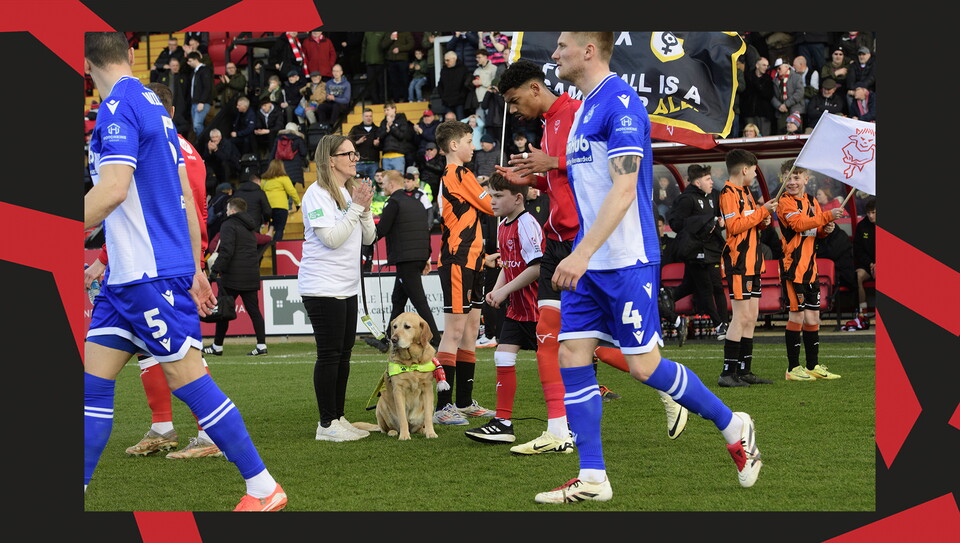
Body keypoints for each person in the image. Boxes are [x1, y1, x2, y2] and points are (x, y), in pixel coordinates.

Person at [532, 33, 761, 504]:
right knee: (572, 354)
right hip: (590, 259)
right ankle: (593, 477)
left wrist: (582, 253)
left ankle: (733, 423)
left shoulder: (622, 103)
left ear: (588, 50)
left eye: (561, 45)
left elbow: (623, 189)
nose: (554, 54)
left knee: (643, 367)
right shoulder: (582, 109)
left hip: (625, 260)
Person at [82, 32, 285, 511]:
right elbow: (185, 196)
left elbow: (112, 190)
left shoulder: (115, 108)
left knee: (189, 379)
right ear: (131, 55)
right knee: (92, 384)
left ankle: (262, 487)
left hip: (147, 275)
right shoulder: (155, 103)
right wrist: (194, 264)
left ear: (85, 62)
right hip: (129, 279)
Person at [493, 58, 688, 455]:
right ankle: (558, 430)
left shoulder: (579, 112)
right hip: (558, 241)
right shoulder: (549, 124)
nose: (514, 112)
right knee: (555, 338)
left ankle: (671, 390)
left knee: (603, 346)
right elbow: (560, 182)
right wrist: (528, 179)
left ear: (534, 89)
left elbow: (598, 170)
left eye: (514, 101)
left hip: (587, 243)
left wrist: (553, 162)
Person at [299, 134, 376, 442]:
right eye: (348, 154)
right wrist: (356, 208)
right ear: (331, 160)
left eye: (355, 154)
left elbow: (369, 238)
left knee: (343, 355)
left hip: (347, 286)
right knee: (330, 355)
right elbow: (330, 238)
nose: (354, 159)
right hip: (322, 286)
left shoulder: (348, 193)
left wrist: (365, 208)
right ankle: (326, 424)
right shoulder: (316, 193)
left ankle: (339, 417)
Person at [464, 172, 544, 444]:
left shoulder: (527, 224)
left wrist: (505, 291)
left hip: (538, 311)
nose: (492, 201)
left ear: (518, 198)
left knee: (564, 364)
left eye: (498, 196)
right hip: (517, 310)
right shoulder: (502, 225)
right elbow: (509, 265)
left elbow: (536, 268)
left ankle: (568, 420)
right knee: (502, 357)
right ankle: (503, 422)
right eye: (490, 195)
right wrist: (497, 291)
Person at [431, 119, 497, 426]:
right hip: (458, 260)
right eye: (470, 141)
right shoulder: (457, 172)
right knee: (454, 331)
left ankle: (465, 402)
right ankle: (443, 406)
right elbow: (491, 206)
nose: (473, 146)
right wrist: (499, 183)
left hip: (475, 260)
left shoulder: (461, 175)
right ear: (454, 145)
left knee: (471, 331)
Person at [776, 159, 845, 381]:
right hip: (793, 268)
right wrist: (826, 216)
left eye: (796, 177)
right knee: (796, 314)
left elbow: (814, 229)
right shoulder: (784, 203)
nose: (792, 181)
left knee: (813, 315)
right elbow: (798, 225)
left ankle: (813, 365)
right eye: (788, 177)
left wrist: (826, 228)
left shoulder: (812, 201)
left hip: (811, 268)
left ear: (806, 179)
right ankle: (792, 368)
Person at [718, 149, 779, 387]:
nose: (755, 175)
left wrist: (764, 221)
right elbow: (734, 226)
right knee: (741, 316)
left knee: (751, 315)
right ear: (745, 169)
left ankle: (744, 370)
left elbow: (751, 223)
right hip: (739, 261)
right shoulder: (728, 192)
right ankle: (727, 373)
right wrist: (763, 211)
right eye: (754, 170)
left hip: (754, 262)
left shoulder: (746, 192)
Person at [365, 169, 441, 352]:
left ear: (391, 184)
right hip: (417, 255)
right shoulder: (417, 202)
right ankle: (387, 340)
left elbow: (381, 230)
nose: (382, 188)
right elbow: (426, 229)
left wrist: (365, 232)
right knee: (398, 299)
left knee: (419, 300)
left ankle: (436, 339)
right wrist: (426, 257)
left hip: (405, 258)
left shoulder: (393, 203)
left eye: (383, 184)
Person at [668, 164, 730, 340]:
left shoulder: (714, 196)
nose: (712, 182)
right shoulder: (686, 200)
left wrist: (719, 222)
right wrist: (703, 222)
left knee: (710, 286)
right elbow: (676, 224)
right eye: (708, 179)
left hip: (712, 249)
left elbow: (720, 216)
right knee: (706, 288)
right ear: (697, 182)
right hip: (695, 251)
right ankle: (719, 325)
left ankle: (664, 299)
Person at [202, 197, 270, 357]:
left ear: (232, 210)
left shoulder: (228, 225)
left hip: (232, 276)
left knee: (223, 310)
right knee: (254, 311)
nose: (226, 211)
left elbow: (226, 250)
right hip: (251, 274)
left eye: (227, 209)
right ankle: (261, 345)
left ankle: (217, 346)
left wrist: (214, 271)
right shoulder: (250, 226)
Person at [260, 158, 301, 243]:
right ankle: (276, 247)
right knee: (279, 229)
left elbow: (260, 192)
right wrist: (298, 203)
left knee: (271, 226)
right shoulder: (284, 178)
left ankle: (269, 241)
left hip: (267, 207)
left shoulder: (264, 179)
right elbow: (292, 191)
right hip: (280, 207)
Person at [850, 197, 876, 330]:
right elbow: (858, 250)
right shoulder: (862, 226)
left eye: (874, 212)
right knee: (857, 276)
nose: (871, 216)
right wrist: (871, 263)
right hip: (868, 265)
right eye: (869, 213)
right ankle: (863, 313)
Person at [741, 57, 775, 138]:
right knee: (749, 136)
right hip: (749, 112)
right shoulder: (748, 77)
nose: (765, 67)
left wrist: (757, 84)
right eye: (763, 65)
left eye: (767, 66)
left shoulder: (768, 79)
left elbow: (768, 95)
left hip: (764, 113)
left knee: (764, 137)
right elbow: (743, 94)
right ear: (757, 65)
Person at [157, 57, 191, 135]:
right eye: (173, 65)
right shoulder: (163, 76)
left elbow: (187, 93)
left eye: (177, 65)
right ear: (169, 66)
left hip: (180, 106)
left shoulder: (183, 77)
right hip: (166, 104)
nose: (175, 67)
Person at [377, 101, 414, 173]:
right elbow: (379, 136)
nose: (386, 112)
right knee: (386, 180)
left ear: (394, 109)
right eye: (384, 110)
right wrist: (386, 131)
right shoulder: (383, 122)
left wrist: (392, 126)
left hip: (398, 155)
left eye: (388, 110)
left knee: (398, 179)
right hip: (386, 156)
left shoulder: (401, 120)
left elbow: (402, 136)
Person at [234, 169, 272, 236]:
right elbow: (267, 211)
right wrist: (266, 220)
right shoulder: (260, 193)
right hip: (255, 225)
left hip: (239, 224)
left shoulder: (237, 193)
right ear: (258, 181)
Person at [771, 58, 804, 135]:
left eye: (779, 68)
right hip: (781, 111)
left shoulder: (796, 77)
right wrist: (779, 106)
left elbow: (799, 93)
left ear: (787, 67)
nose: (777, 70)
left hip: (794, 109)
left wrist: (786, 104)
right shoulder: (775, 80)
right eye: (776, 69)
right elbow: (772, 95)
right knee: (781, 133)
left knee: (796, 132)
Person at [436, 51, 471, 121]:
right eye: (445, 60)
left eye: (448, 60)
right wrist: (443, 97)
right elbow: (440, 85)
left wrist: (461, 96)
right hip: (447, 102)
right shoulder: (444, 70)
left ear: (454, 59)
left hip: (459, 102)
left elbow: (466, 86)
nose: (446, 62)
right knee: (448, 124)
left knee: (461, 122)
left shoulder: (463, 69)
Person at [271, 122, 309, 187]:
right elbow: (304, 153)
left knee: (283, 187)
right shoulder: (298, 139)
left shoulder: (278, 139)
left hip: (281, 166)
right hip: (294, 167)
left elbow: (273, 153)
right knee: (291, 187)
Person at [185, 51, 212, 140]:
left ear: (196, 60)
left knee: (197, 125)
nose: (188, 63)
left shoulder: (205, 70)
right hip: (195, 102)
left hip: (201, 103)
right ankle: (202, 141)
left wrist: (202, 102)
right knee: (196, 126)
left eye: (190, 61)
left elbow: (207, 87)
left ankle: (202, 142)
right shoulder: (195, 72)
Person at [348, 107, 381, 181]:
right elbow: (347, 143)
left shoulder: (378, 129)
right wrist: (357, 142)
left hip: (373, 162)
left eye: (370, 116)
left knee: (373, 187)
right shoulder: (355, 129)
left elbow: (383, 146)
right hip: (359, 163)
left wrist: (378, 144)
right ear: (362, 117)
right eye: (366, 116)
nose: (368, 118)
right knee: (358, 186)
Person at [382, 31, 414, 104]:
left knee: (404, 80)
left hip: (402, 60)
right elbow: (383, 46)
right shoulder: (388, 33)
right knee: (393, 81)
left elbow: (411, 44)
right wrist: (390, 39)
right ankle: (395, 99)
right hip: (391, 61)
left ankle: (406, 99)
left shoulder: (406, 32)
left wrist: (400, 49)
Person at [315, 64, 351, 129]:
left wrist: (334, 98)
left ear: (341, 72)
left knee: (336, 106)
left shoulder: (346, 84)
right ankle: (322, 125)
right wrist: (328, 98)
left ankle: (331, 126)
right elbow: (327, 96)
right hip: (331, 102)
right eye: (334, 71)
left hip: (342, 104)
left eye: (337, 71)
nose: (335, 73)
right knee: (321, 106)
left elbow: (346, 100)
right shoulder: (329, 83)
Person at [360, 31, 387, 104]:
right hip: (369, 62)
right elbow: (364, 46)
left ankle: (382, 101)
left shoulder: (383, 32)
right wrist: (363, 58)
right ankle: (375, 101)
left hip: (380, 62)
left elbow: (385, 45)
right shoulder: (367, 33)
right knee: (371, 84)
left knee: (381, 83)